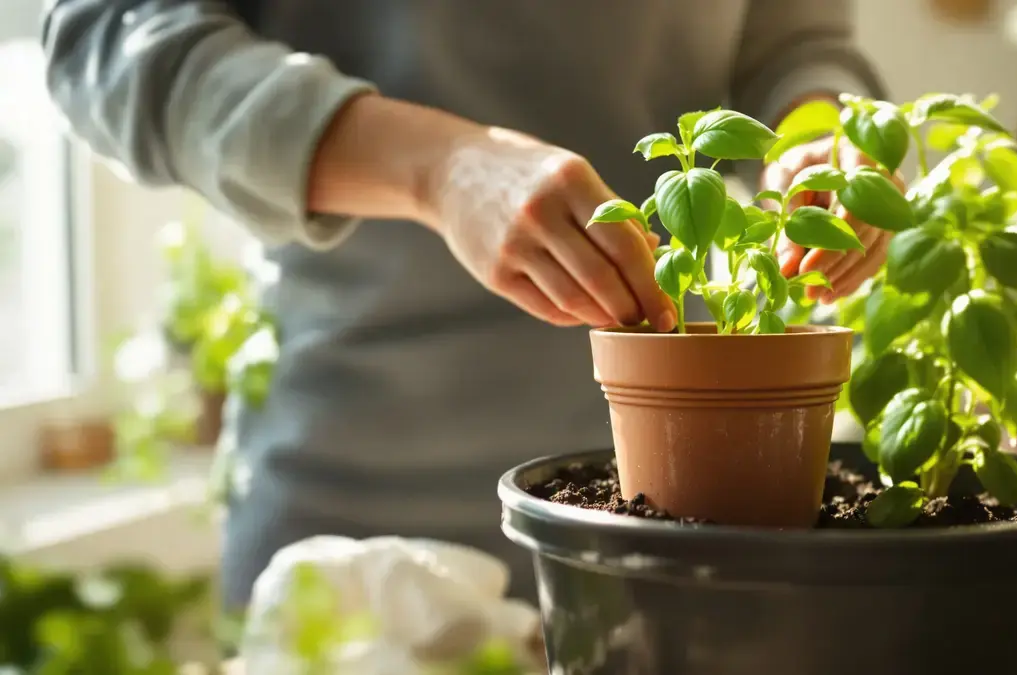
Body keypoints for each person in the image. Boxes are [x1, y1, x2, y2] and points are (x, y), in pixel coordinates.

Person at [42, 0, 895, 609]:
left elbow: (796, 38)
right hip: (354, 522)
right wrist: (436, 166)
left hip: (675, 531)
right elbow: (110, 36)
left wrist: (820, 137)